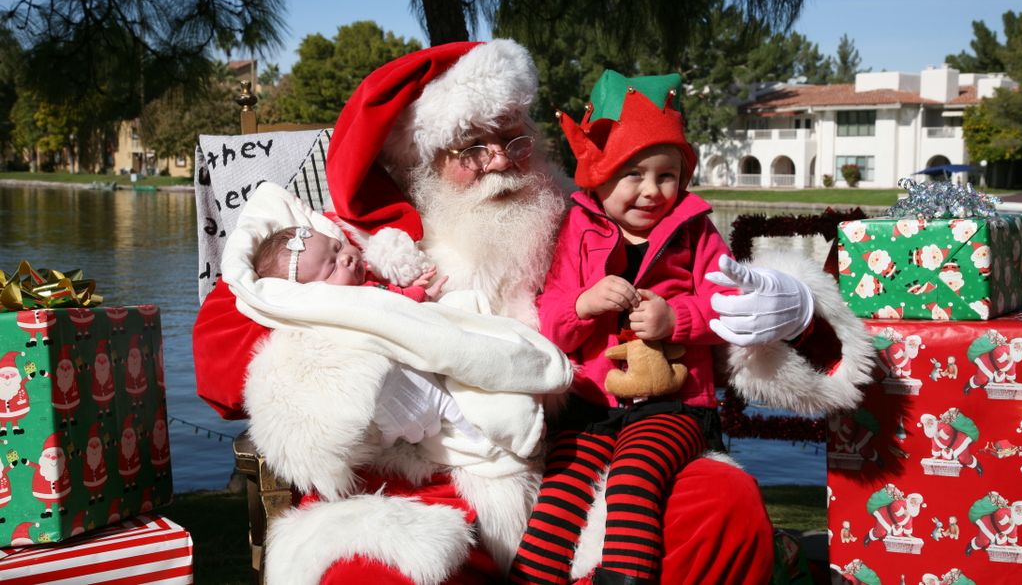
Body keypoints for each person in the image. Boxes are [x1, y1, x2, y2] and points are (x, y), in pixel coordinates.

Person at [192, 39, 875, 585]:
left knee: (720, 509)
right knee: (365, 572)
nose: (502, 164)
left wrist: (789, 304)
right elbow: (223, 343)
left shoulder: (576, 223)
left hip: (570, 472)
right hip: (418, 492)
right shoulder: (360, 241)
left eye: (514, 139)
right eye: (472, 148)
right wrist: (345, 368)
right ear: (422, 163)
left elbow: (715, 302)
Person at [509, 70, 757, 585]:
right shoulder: (577, 229)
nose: (650, 191)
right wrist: (582, 304)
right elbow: (549, 318)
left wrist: (678, 318)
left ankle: (626, 578)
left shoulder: (696, 231)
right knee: (560, 489)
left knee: (634, 476)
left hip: (677, 403)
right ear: (599, 177)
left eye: (665, 175)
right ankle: (532, 578)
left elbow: (731, 304)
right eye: (633, 174)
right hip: (592, 403)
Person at [252, 223, 447, 301]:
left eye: (337, 247)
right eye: (331, 267)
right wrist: (423, 294)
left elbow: (390, 291)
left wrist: (409, 287)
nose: (344, 258)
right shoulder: (355, 297)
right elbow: (393, 303)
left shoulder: (363, 276)